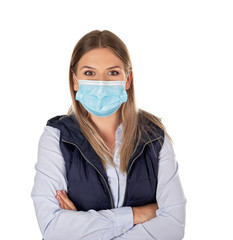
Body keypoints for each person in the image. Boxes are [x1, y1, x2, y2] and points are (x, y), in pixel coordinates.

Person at [31, 30, 186, 240]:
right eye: (89, 73)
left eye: (112, 73)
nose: (101, 84)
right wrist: (137, 214)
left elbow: (173, 227)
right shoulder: (57, 138)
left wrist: (82, 227)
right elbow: (53, 228)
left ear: (127, 79)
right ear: (75, 81)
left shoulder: (154, 137)